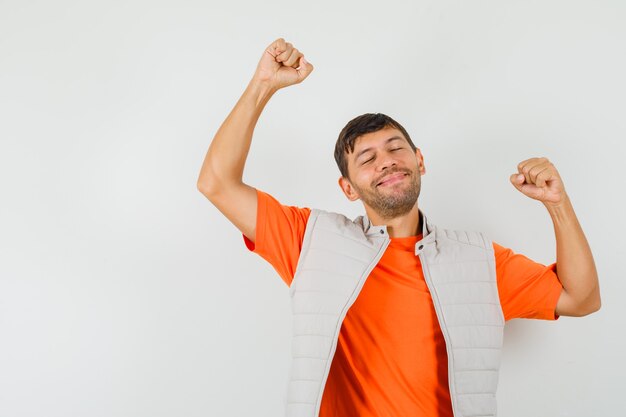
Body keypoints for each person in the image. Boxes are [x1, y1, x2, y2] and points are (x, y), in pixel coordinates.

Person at [197, 38, 601, 417]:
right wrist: (262, 85)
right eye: (367, 158)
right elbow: (216, 183)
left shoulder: (478, 259)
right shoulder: (310, 240)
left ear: (419, 161)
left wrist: (558, 205)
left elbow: (581, 298)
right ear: (348, 188)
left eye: (395, 148)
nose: (386, 161)